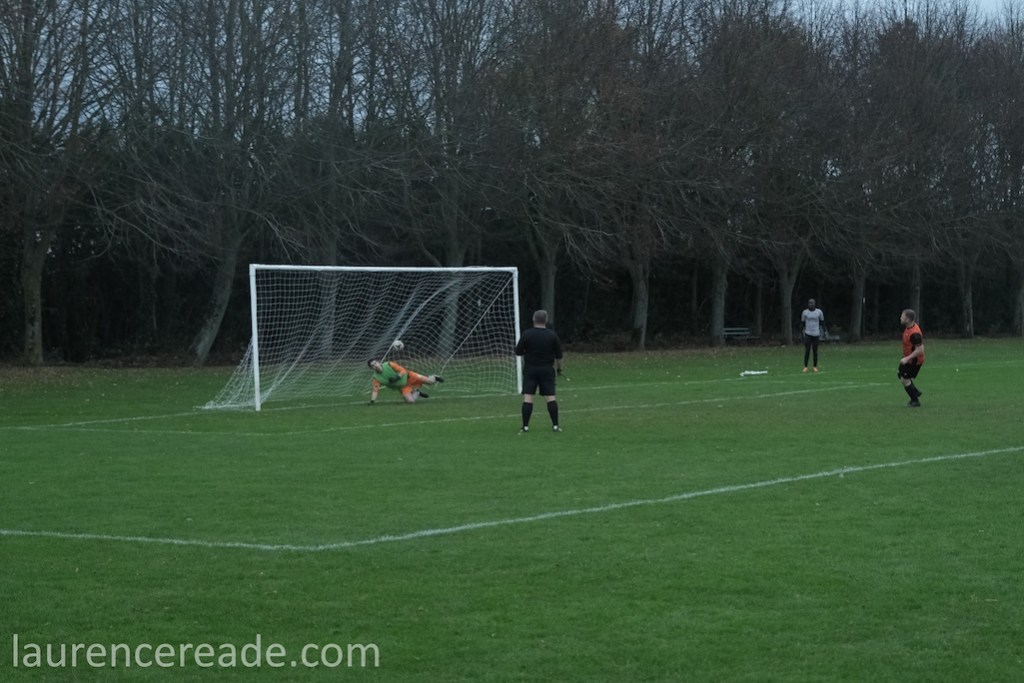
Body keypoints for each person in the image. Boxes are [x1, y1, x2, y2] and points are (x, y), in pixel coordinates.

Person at [514, 309, 563, 433]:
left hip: (530, 369)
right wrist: (559, 368)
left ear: (533, 320)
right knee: (550, 397)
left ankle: (525, 426)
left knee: (528, 397)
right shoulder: (552, 335)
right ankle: (555, 426)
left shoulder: (527, 334)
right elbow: (559, 356)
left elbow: (518, 352)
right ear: (546, 320)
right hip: (547, 370)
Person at [367, 359, 443, 404]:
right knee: (411, 402)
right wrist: (372, 401)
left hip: (410, 376)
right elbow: (375, 391)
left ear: (379, 362)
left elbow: (402, 370)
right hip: (403, 386)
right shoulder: (377, 378)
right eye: (373, 366)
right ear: (372, 369)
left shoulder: (389, 364)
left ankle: (434, 376)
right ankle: (417, 393)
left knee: (430, 382)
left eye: (375, 363)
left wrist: (398, 377)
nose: (375, 366)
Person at [898, 309, 925, 407]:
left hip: (914, 361)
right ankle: (915, 392)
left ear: (908, 319)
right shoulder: (909, 328)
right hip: (909, 359)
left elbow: (920, 350)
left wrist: (907, 358)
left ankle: (915, 400)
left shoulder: (914, 334)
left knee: (904, 379)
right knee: (900, 374)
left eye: (902, 316)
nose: (900, 318)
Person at [800, 298, 825, 373]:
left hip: (816, 334)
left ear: (815, 304)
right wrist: (801, 333)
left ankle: (815, 366)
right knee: (807, 350)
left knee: (815, 351)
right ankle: (805, 366)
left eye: (812, 303)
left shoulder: (819, 312)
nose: (811, 304)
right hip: (808, 333)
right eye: (810, 303)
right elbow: (802, 323)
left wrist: (824, 331)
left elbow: (822, 322)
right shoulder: (805, 312)